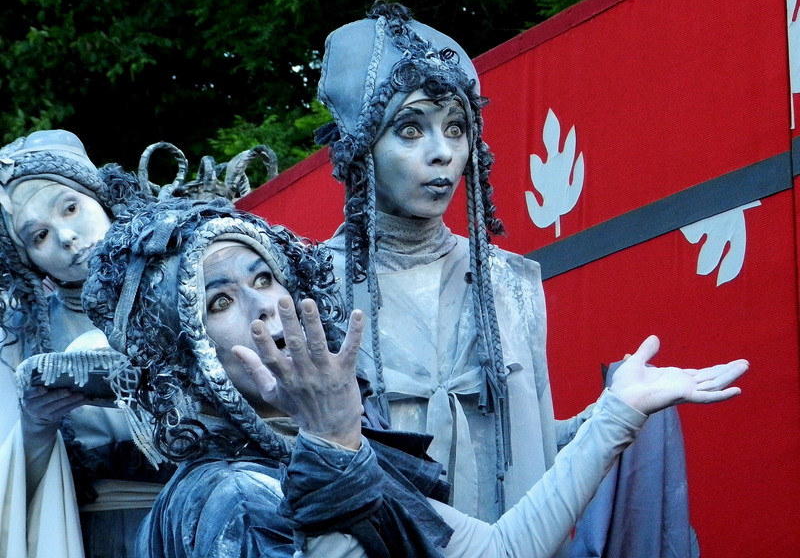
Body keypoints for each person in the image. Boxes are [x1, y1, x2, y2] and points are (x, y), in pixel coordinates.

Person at [82, 197, 748, 558]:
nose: (265, 305)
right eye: (219, 301)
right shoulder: (225, 496)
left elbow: (499, 550)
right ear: (181, 355)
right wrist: (330, 445)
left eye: (264, 276)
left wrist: (616, 414)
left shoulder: (341, 448)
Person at [314, 0, 710, 555]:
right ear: (360, 146)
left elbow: (533, 451)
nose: (442, 153)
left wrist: (615, 410)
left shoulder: (510, 283)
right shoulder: (313, 289)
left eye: (456, 128)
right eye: (410, 129)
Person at [0, 129, 165, 558]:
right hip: (102, 535)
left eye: (70, 208)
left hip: (211, 514)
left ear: (100, 198)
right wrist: (36, 426)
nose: (67, 237)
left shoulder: (189, 281)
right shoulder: (21, 340)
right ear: (27, 260)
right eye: (38, 236)